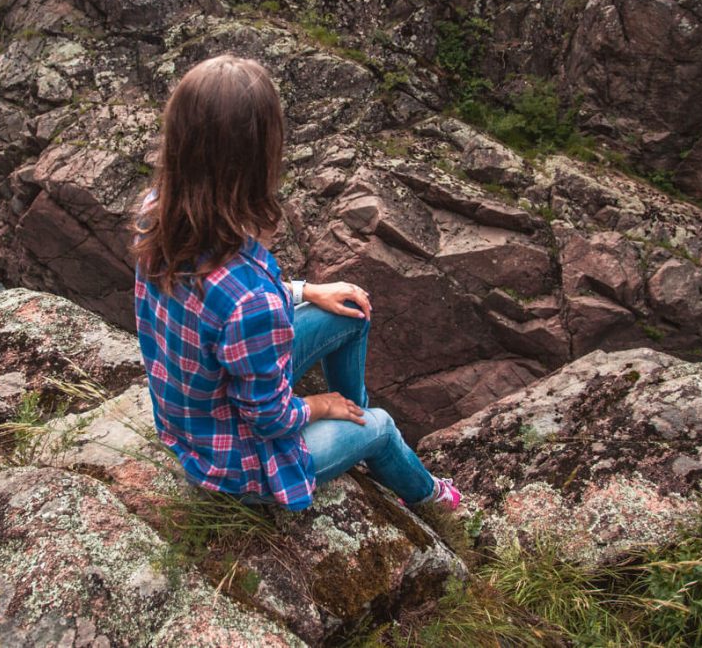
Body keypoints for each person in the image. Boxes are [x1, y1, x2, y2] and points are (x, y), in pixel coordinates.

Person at [132, 54, 460, 512]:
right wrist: (320, 407)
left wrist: (307, 291)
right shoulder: (252, 302)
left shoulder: (157, 212)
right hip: (236, 463)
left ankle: (352, 427)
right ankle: (430, 499)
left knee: (350, 311)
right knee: (382, 426)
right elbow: (268, 417)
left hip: (191, 414)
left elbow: (224, 305)